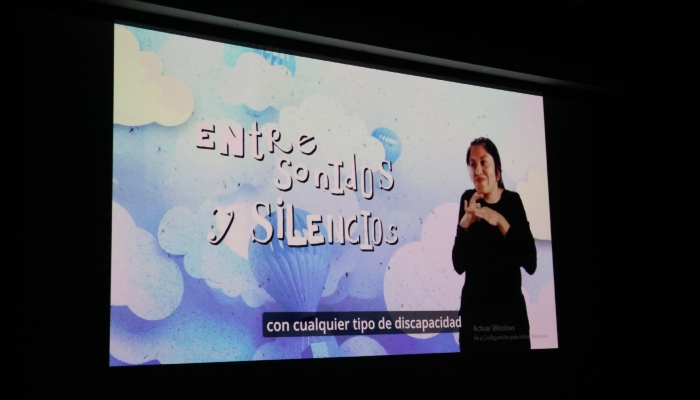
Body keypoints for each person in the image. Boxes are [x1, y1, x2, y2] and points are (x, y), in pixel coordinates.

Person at [452, 137, 537, 351]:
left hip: (510, 321)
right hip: (475, 322)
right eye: (472, 164)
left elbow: (530, 263)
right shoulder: (468, 201)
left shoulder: (513, 202)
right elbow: (459, 265)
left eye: (483, 162)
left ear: (497, 171)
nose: (478, 170)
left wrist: (500, 221)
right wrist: (464, 225)